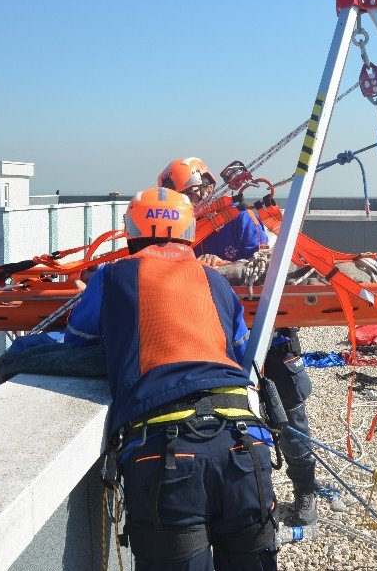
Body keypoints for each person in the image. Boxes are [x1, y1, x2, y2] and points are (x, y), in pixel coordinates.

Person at [72, 187, 278, 570]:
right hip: (245, 445)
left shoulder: (111, 277)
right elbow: (239, 353)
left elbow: (77, 343)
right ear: (189, 230)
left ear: (131, 230)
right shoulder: (215, 281)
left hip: (165, 454)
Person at [159, 157, 321, 526]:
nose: (197, 198)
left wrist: (223, 265)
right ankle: (250, 498)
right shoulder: (179, 231)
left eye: (199, 190)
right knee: (231, 421)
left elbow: (264, 262)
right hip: (217, 338)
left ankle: (306, 490)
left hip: (270, 332)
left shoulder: (237, 218)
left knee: (289, 414)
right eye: (187, 193)